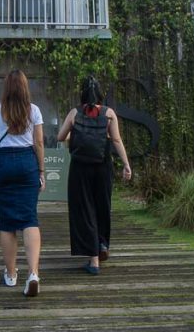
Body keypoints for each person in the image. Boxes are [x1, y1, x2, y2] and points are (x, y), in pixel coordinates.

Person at [56, 75, 132, 275]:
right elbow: (116, 140)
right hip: (102, 166)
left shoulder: (75, 113)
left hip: (80, 168)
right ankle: (102, 245)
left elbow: (60, 137)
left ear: (82, 93)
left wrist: (76, 134)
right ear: (100, 93)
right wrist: (126, 164)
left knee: (85, 209)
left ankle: (94, 260)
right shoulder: (108, 113)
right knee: (102, 206)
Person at [0, 69, 46, 297]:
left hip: (4, 163)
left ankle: (11, 274)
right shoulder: (34, 110)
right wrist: (41, 170)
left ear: (6, 88)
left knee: (7, 222)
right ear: (25, 88)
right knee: (30, 217)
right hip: (27, 161)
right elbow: (39, 143)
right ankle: (34, 273)